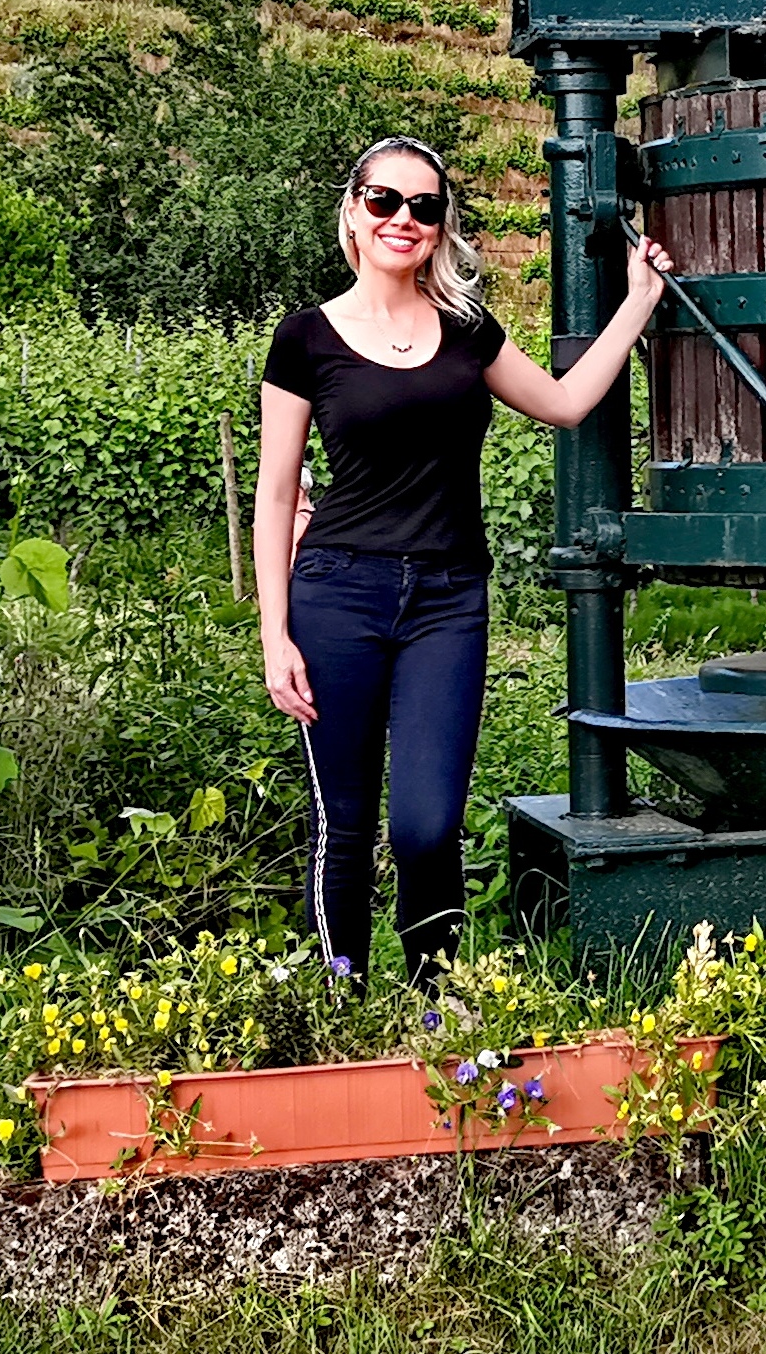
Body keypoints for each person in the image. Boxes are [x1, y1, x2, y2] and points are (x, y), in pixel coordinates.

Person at [254, 135, 668, 980]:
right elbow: (274, 493)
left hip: (448, 599)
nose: (404, 220)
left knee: (427, 825)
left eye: (425, 207)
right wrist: (275, 635)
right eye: (386, 202)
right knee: (343, 824)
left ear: (441, 228)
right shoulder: (304, 339)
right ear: (354, 211)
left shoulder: (467, 331)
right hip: (336, 595)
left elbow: (562, 403)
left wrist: (635, 305)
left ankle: (435, 1006)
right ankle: (339, 1006)